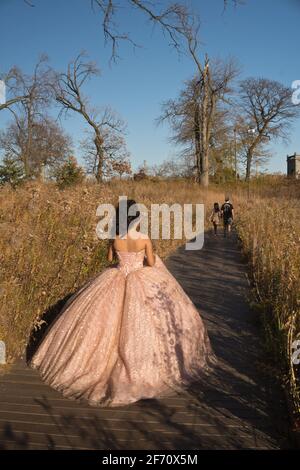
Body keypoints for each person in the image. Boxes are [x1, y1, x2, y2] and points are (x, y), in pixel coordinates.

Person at [30, 199, 216, 407]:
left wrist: (122, 260)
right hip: (140, 276)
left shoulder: (116, 238)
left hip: (116, 276)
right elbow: (151, 262)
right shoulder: (144, 238)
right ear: (137, 217)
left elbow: (111, 258)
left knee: (100, 324)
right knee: (144, 323)